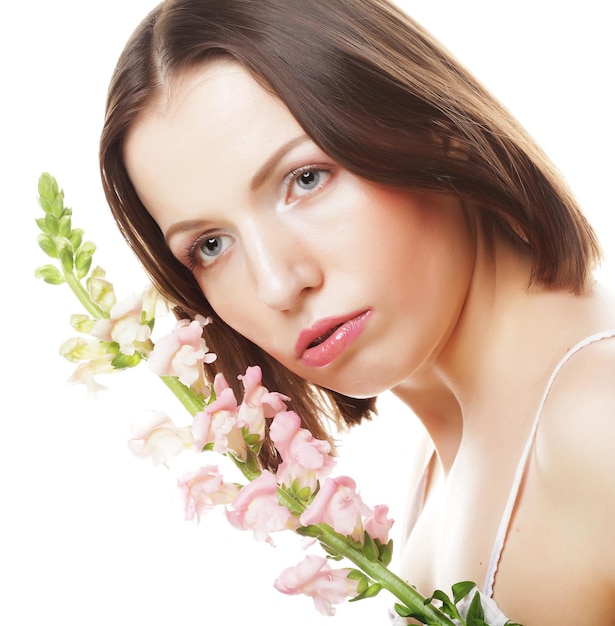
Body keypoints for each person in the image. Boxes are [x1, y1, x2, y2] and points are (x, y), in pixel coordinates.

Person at [98, 1, 615, 623]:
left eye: (306, 179)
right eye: (210, 245)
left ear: (430, 124)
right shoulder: (441, 460)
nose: (276, 285)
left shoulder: (596, 423)